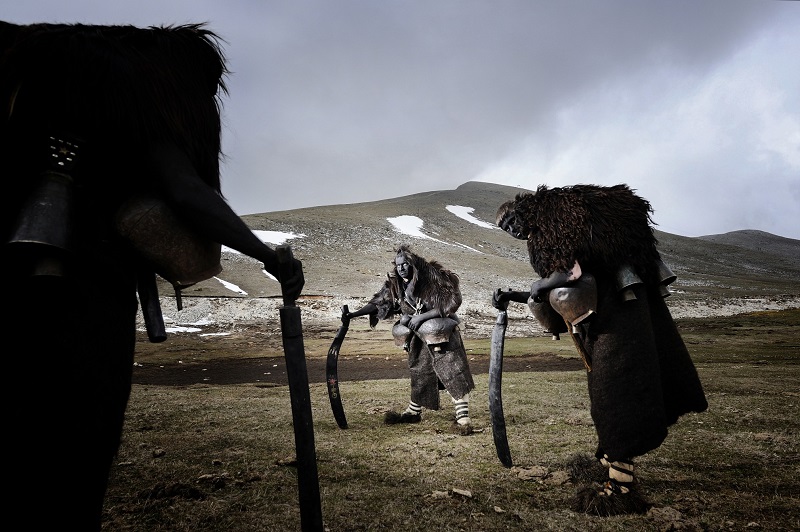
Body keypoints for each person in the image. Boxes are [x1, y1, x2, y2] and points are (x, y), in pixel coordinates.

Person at [2, 22, 303, 530]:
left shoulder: (39, 92)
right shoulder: (131, 96)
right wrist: (267, 255)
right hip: (82, 293)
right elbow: (186, 192)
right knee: (74, 455)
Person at [493, 184, 708, 516]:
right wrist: (518, 295)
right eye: (506, 231)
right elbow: (563, 284)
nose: (513, 232)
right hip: (605, 324)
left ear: (521, 212)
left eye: (511, 224)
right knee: (605, 396)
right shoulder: (556, 243)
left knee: (615, 397)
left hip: (619, 324)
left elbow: (570, 275)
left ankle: (621, 485)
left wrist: (536, 287)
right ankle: (611, 457)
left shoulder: (560, 237)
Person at [345, 244, 475, 434]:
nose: (401, 268)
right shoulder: (396, 285)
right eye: (398, 265)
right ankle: (413, 412)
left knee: (451, 371)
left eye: (405, 264)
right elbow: (378, 304)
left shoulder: (433, 279)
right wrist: (353, 314)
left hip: (441, 335)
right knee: (420, 371)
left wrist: (421, 317)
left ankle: (463, 417)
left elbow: (451, 303)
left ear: (413, 264)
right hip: (418, 338)